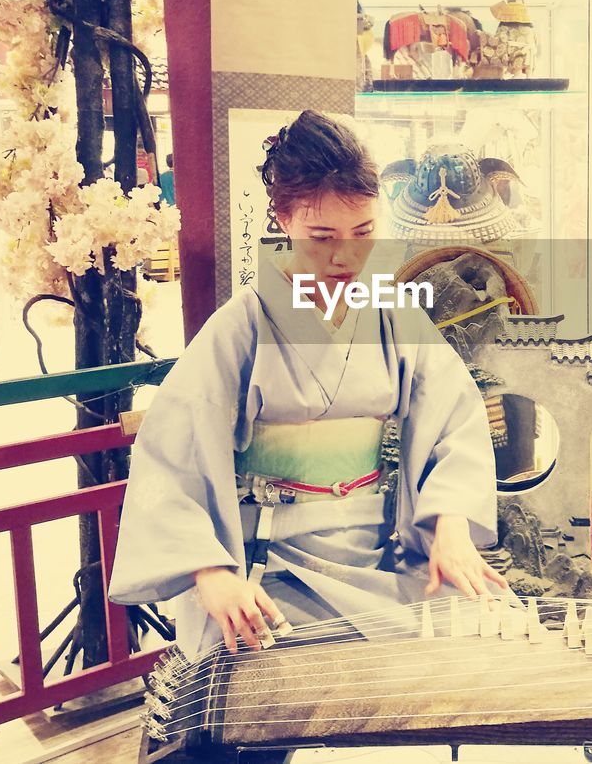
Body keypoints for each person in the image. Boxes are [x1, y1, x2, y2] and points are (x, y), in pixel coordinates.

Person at [109, 110, 505, 665]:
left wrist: (451, 525)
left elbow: (454, 419)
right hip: (268, 564)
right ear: (284, 218)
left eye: (364, 233)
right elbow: (172, 458)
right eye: (322, 237)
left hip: (378, 558)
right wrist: (211, 572)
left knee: (477, 643)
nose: (345, 257)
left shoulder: (391, 313)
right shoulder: (241, 327)